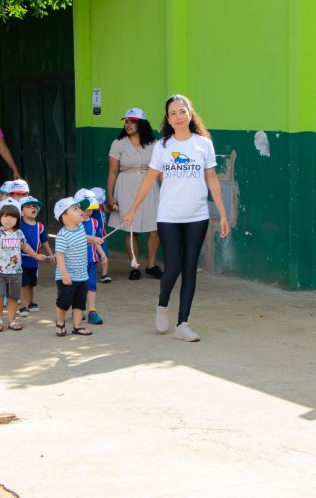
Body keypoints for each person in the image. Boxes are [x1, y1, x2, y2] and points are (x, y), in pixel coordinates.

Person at [123, 95, 230, 342]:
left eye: (182, 111)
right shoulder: (163, 146)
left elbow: (212, 179)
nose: (178, 117)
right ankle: (162, 305)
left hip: (198, 215)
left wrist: (223, 214)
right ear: (168, 118)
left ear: (190, 114)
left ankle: (183, 323)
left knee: (190, 268)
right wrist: (132, 209)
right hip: (169, 215)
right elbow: (150, 179)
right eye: (173, 113)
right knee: (173, 268)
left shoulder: (203, 144)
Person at [105, 107, 163, 281]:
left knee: (155, 228)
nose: (128, 125)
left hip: (150, 186)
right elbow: (113, 171)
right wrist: (110, 196)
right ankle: (134, 265)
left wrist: (168, 190)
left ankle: (151, 265)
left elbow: (159, 170)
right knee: (131, 229)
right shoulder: (118, 144)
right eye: (127, 122)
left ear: (142, 124)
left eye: (133, 121)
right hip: (125, 187)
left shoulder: (154, 144)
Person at [0, 200, 46, 332]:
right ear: (0, 218)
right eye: (5, 216)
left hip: (16, 272)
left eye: (13, 217)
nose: (9, 220)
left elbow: (25, 246)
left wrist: (36, 255)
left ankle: (12, 319)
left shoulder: (19, 233)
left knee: (13, 297)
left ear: (17, 219)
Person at [52, 195, 93, 337]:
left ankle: (77, 326)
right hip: (67, 276)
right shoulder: (62, 235)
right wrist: (64, 273)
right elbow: (60, 255)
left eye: (79, 208)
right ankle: (60, 323)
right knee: (64, 301)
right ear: (65, 217)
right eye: (75, 209)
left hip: (82, 275)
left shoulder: (80, 227)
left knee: (80, 303)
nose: (80, 211)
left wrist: (93, 239)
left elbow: (84, 238)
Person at [75, 188, 108, 325]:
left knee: (92, 285)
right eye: (86, 208)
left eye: (92, 208)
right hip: (78, 261)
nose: (89, 211)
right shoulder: (75, 224)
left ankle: (92, 311)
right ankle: (78, 309)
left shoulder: (94, 222)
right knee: (78, 286)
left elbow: (96, 240)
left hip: (92, 260)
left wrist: (102, 253)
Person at [18, 196, 52, 317]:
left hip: (34, 261)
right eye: (28, 206)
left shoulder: (40, 226)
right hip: (21, 260)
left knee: (32, 283)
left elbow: (44, 241)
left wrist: (50, 254)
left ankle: (31, 303)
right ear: (21, 212)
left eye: (34, 206)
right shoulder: (19, 225)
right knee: (23, 284)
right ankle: (23, 306)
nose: (33, 208)